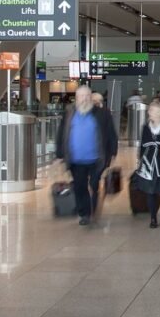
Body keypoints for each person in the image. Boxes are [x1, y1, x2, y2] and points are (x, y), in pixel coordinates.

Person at [55, 86, 119, 226]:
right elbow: (61, 134)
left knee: (93, 185)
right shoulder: (69, 114)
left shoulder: (102, 114)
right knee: (79, 187)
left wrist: (113, 152)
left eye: (86, 96)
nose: (84, 99)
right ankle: (84, 213)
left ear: (91, 97)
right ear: (76, 99)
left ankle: (92, 211)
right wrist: (59, 154)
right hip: (76, 160)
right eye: (81, 96)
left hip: (96, 159)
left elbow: (111, 134)